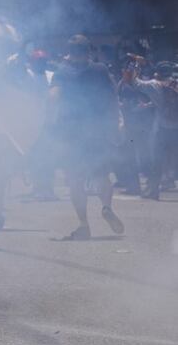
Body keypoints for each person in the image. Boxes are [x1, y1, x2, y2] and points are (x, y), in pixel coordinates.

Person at [48, 35, 125, 240]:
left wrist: (50, 121)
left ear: (70, 52)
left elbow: (53, 98)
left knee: (75, 180)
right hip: (97, 131)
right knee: (101, 175)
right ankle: (106, 207)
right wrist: (116, 125)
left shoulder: (62, 72)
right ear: (88, 52)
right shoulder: (100, 70)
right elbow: (112, 98)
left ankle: (84, 225)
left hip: (72, 133)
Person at [124, 58, 178, 200]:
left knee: (157, 160)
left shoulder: (155, 85)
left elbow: (132, 82)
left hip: (162, 128)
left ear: (157, 73)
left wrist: (133, 66)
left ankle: (153, 191)